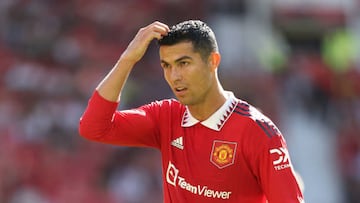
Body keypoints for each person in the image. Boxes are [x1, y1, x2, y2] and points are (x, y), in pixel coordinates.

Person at [79, 20, 304, 203]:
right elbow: (93, 128)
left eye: (184, 63)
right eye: (166, 66)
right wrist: (127, 59)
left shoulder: (259, 133)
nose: (175, 76)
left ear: (212, 61)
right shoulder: (165, 117)